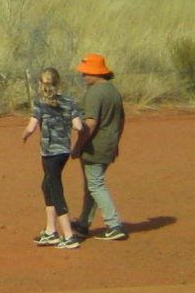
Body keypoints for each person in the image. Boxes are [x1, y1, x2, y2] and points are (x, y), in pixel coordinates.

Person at [21, 67, 82, 249]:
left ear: (41, 84)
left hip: (49, 152)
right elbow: (78, 126)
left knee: (55, 189)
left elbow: (31, 127)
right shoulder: (69, 102)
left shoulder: (40, 103)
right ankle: (50, 231)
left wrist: (24, 134)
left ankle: (68, 235)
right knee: (46, 185)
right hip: (63, 150)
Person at [69, 53, 126, 241]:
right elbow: (121, 120)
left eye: (86, 73)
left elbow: (90, 123)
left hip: (95, 146)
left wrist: (78, 146)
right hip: (108, 144)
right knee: (91, 185)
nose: (83, 76)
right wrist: (115, 142)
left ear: (96, 73)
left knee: (95, 184)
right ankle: (84, 222)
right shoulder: (113, 91)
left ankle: (113, 224)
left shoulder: (94, 93)